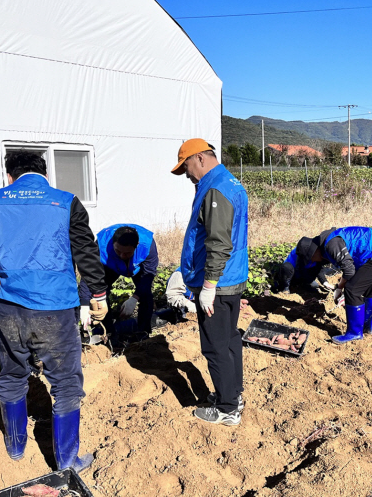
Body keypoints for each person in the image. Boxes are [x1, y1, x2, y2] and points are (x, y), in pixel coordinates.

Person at [0, 150, 108, 471]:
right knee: (66, 384)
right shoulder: (65, 201)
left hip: (8, 308)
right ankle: (67, 461)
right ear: (44, 174)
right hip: (55, 308)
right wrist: (97, 292)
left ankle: (16, 449)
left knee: (13, 375)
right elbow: (86, 249)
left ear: (9, 177)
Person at [172, 138, 248, 426]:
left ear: (201, 158)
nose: (187, 175)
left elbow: (218, 241)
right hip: (231, 277)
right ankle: (234, 395)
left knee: (215, 346)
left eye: (187, 167)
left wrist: (208, 286)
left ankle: (227, 408)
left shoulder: (216, 188)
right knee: (229, 340)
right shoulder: (229, 182)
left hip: (219, 280)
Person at [295, 226, 372, 343]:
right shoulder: (330, 240)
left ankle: (354, 333)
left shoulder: (331, 245)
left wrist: (339, 288)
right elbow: (355, 266)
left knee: (352, 290)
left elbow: (349, 270)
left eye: (310, 259)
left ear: (313, 252)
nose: (313, 261)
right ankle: (368, 328)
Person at [78, 224, 158, 334]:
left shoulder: (147, 245)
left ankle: (143, 333)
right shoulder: (101, 246)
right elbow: (90, 275)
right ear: (113, 244)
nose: (122, 256)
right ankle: (107, 332)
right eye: (118, 251)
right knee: (101, 293)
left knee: (146, 294)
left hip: (136, 267)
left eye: (127, 253)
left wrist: (134, 298)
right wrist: (84, 304)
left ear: (136, 246)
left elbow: (148, 275)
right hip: (111, 265)